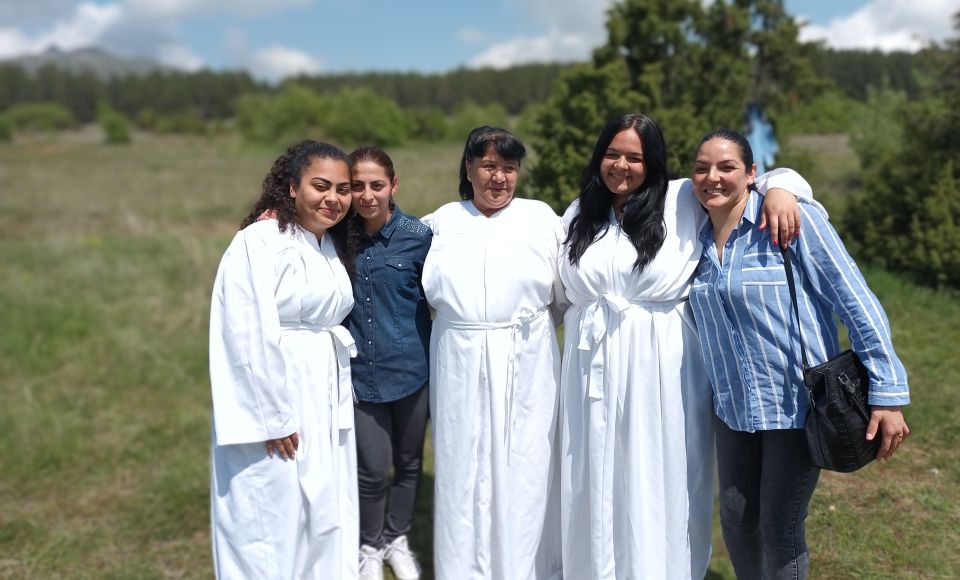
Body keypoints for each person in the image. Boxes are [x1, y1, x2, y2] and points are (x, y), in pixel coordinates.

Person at [557, 113, 814, 579]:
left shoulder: (681, 198)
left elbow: (753, 176)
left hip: (661, 363)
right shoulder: (579, 213)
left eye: (634, 157)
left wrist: (782, 189)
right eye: (612, 154)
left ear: (652, 162)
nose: (621, 165)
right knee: (593, 469)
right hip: (589, 363)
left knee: (660, 471)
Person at [687, 128, 910, 579]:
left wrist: (888, 393)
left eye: (727, 166)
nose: (713, 177)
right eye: (702, 167)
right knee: (736, 520)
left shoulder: (790, 220)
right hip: (732, 409)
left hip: (796, 407)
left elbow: (856, 301)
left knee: (778, 527)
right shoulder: (691, 236)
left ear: (752, 174)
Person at [208, 140, 359, 579]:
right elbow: (243, 333)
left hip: (323, 393)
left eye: (343, 189)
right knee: (272, 518)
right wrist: (269, 417)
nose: (334, 198)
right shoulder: (260, 241)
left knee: (320, 514)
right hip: (280, 396)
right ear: (292, 188)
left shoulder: (326, 244)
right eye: (321, 185)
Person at [421, 126, 565, 580]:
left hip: (527, 356)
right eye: (488, 166)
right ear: (468, 168)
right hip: (458, 356)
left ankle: (526, 567)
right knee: (463, 462)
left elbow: (564, 293)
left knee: (527, 462)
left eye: (508, 168)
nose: (499, 178)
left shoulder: (542, 218)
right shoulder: (439, 223)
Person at [342, 146, 431, 580]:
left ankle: (398, 537)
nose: (367, 195)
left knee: (410, 463)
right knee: (373, 471)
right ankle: (370, 545)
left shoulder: (420, 236)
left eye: (376, 185)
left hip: (414, 373)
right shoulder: (337, 236)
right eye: (357, 186)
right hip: (362, 378)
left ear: (393, 186)